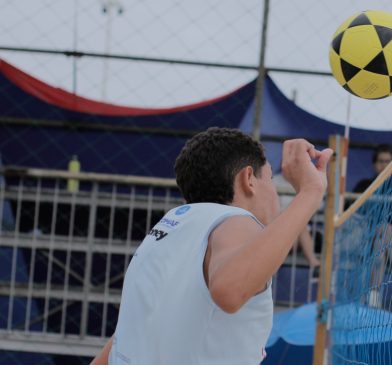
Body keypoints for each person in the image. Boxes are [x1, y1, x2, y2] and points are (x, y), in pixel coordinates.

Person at [91, 128, 332, 365]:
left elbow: (125, 339)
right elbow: (230, 290)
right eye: (269, 179)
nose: (275, 194)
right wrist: (311, 191)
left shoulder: (169, 226)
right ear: (248, 179)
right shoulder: (236, 221)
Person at [353, 145, 392, 307]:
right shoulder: (364, 186)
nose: (384, 165)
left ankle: (374, 295)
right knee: (383, 230)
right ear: (375, 164)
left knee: (382, 241)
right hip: (364, 242)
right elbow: (353, 215)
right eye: (381, 161)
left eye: (388, 161)